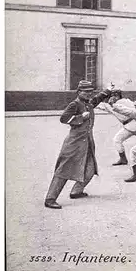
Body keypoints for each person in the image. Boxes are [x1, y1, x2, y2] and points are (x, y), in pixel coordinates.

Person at [44, 80, 113, 209]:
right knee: (64, 170)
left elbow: (97, 99)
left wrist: (108, 90)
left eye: (90, 92)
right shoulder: (74, 104)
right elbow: (63, 118)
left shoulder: (88, 103)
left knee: (91, 169)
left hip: (87, 142)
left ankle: (76, 191)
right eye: (85, 92)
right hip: (74, 143)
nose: (88, 94)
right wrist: (81, 117)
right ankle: (50, 198)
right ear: (79, 92)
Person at [96, 89, 136, 166]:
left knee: (117, 140)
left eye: (113, 96)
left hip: (130, 124)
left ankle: (123, 159)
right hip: (134, 124)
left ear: (117, 96)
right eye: (111, 96)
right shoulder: (118, 102)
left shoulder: (122, 102)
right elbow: (100, 106)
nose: (111, 98)